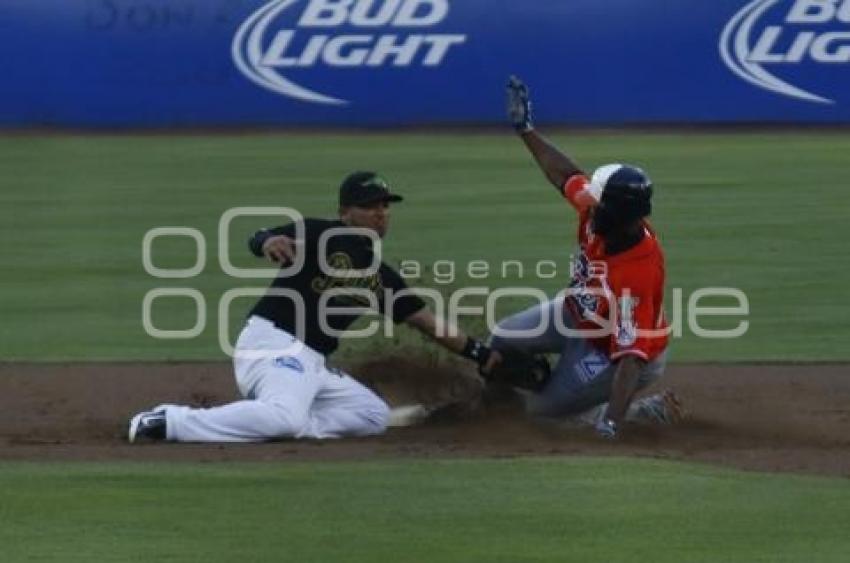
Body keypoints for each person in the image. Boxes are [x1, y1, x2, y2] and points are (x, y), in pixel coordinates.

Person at [129, 171, 499, 442]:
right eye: (369, 205)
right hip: (274, 345)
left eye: (385, 206)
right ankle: (169, 421)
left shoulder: (380, 277)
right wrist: (268, 242)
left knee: (370, 415)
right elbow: (262, 236)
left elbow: (426, 322)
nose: (380, 213)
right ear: (345, 211)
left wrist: (482, 354)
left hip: (312, 363)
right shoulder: (322, 234)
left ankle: (289, 420)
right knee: (283, 420)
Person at [493, 76, 682, 438]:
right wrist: (525, 129)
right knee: (502, 338)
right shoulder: (600, 213)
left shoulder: (638, 273)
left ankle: (639, 411)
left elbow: (630, 359)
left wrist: (612, 424)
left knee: (538, 414)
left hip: (613, 354)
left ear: (621, 215)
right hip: (580, 311)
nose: (587, 202)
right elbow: (565, 174)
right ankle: (553, 394)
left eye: (597, 201)